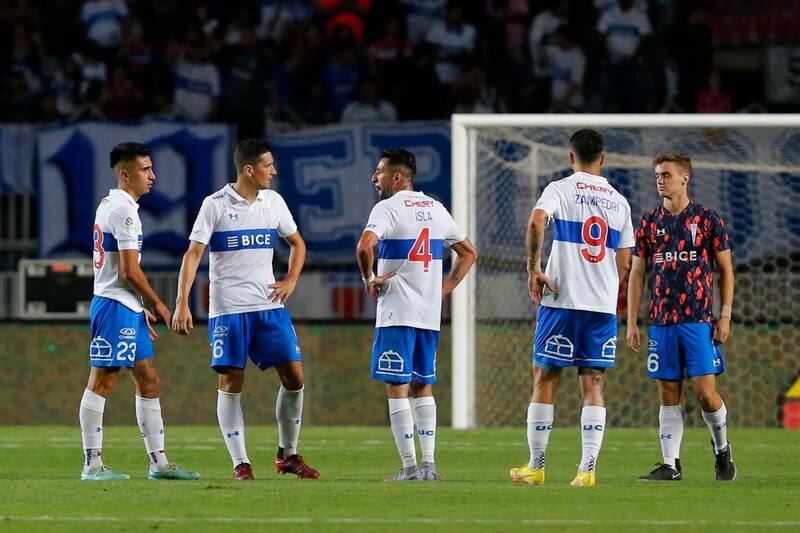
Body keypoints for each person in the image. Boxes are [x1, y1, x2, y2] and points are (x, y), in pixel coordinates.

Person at [171, 139, 318, 481]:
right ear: (249, 169)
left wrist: (291, 279)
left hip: (268, 306)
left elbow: (297, 243)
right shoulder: (215, 205)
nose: (274, 171)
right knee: (231, 381)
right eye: (269, 166)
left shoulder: (274, 202)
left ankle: (288, 455)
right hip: (229, 309)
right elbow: (193, 254)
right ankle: (241, 463)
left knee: (295, 377)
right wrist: (182, 302)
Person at [509, 129, 634, 487]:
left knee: (545, 377)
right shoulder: (620, 202)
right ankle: (587, 471)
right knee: (593, 382)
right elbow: (624, 262)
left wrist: (534, 268)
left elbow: (537, 221)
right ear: (603, 158)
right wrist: (607, 288)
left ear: (570, 157)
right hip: (601, 306)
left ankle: (536, 467)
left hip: (562, 300)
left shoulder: (560, 189)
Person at [81, 142, 199, 481]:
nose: (153, 175)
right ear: (125, 174)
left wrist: (138, 308)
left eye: (151, 168)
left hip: (125, 305)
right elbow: (128, 272)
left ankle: (159, 463)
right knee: (102, 380)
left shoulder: (113, 203)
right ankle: (92, 465)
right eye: (145, 169)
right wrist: (159, 304)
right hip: (113, 305)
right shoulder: (124, 211)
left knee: (148, 379)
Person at [356, 148, 477, 481]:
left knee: (397, 386)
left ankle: (409, 467)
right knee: (423, 386)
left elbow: (364, 246)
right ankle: (429, 466)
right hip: (428, 315)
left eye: (379, 172)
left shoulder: (388, 207)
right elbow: (468, 253)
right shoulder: (435, 208)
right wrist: (442, 290)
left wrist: (369, 280)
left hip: (397, 311)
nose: (374, 178)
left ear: (397, 177)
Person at [627, 150, 736, 482]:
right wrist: (632, 321)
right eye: (657, 175)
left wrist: (725, 316)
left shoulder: (707, 219)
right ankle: (671, 465)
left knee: (705, 392)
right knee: (667, 393)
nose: (660, 180)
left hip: (699, 320)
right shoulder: (648, 222)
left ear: (684, 178)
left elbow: (726, 271)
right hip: (661, 322)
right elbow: (637, 274)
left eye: (666, 175)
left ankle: (722, 451)